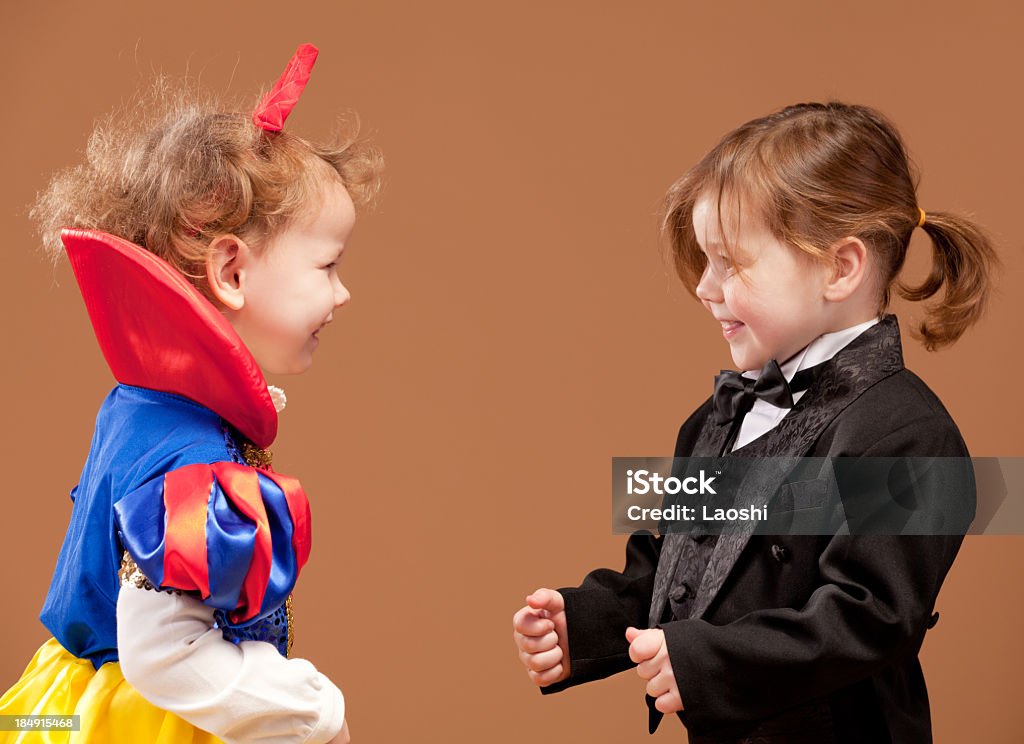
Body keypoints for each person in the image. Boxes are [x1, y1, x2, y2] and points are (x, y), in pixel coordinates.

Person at [512, 102, 998, 743]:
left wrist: (705, 661)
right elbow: (676, 571)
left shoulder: (911, 434)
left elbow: (871, 618)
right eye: (704, 259)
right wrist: (591, 626)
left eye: (731, 261)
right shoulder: (716, 421)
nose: (705, 287)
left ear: (839, 267)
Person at [0, 43, 380, 743]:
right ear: (231, 270)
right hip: (136, 720)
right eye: (328, 265)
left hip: (63, 693)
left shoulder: (144, 406)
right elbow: (164, 654)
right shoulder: (191, 460)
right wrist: (310, 710)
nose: (343, 292)